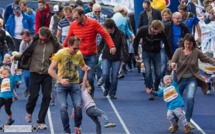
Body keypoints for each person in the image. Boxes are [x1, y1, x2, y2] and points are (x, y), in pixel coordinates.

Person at [62, 7, 116, 98]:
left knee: (90, 77)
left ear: (83, 15)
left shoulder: (93, 23)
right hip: (79, 55)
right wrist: (60, 50)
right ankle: (81, 95)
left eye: (76, 18)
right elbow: (68, 39)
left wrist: (112, 46)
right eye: (74, 18)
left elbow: (105, 34)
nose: (75, 20)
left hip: (91, 54)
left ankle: (91, 94)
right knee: (80, 77)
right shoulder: (73, 25)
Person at [18, 27, 62, 129]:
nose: (42, 41)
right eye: (41, 38)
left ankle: (41, 121)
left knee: (47, 96)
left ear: (49, 37)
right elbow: (24, 52)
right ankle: (29, 111)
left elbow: (64, 51)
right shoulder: (34, 42)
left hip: (48, 73)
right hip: (35, 72)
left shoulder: (55, 44)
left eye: (44, 39)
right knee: (34, 95)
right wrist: (16, 58)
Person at [170, 33, 215, 129]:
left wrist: (213, 62)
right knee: (176, 100)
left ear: (193, 44)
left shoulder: (196, 52)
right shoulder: (178, 51)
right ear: (183, 43)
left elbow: (205, 59)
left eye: (190, 44)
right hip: (180, 79)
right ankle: (175, 122)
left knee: (190, 98)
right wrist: (173, 64)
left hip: (192, 79)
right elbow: (172, 61)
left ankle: (187, 121)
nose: (188, 46)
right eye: (186, 43)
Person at [48, 36, 88, 134]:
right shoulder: (60, 53)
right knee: (63, 108)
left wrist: (86, 68)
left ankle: (77, 126)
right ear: (69, 46)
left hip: (74, 83)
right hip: (62, 85)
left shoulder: (78, 54)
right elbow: (50, 70)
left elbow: (82, 66)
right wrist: (60, 80)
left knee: (78, 107)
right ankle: (67, 130)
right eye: (75, 48)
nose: (77, 50)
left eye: (78, 48)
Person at [133, 20, 172, 100]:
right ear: (153, 28)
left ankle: (156, 86)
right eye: (158, 31)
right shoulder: (143, 30)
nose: (159, 32)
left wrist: (170, 58)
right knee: (147, 71)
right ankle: (150, 90)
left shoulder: (161, 33)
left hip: (156, 53)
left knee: (158, 73)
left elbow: (167, 45)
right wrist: (136, 54)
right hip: (146, 52)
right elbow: (136, 41)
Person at [71, 66, 116, 134]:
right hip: (91, 108)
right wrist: (86, 72)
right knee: (103, 113)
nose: (90, 90)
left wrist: (73, 113)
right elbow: (84, 80)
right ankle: (106, 122)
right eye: (89, 88)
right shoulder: (83, 90)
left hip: (87, 111)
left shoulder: (79, 95)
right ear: (85, 86)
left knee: (97, 123)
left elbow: (75, 105)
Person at [98, 19, 129, 99]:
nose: (106, 31)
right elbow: (101, 44)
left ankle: (112, 93)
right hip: (106, 56)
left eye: (107, 29)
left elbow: (124, 45)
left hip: (117, 58)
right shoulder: (105, 34)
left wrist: (125, 58)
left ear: (112, 28)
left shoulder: (121, 34)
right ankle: (107, 86)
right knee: (105, 74)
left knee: (114, 76)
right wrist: (97, 53)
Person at [85, 3, 108, 86]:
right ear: (92, 10)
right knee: (91, 62)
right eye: (96, 12)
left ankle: (99, 78)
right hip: (90, 44)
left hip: (101, 43)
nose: (97, 13)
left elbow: (106, 31)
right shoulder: (87, 16)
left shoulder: (104, 17)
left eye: (99, 12)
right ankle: (88, 79)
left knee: (99, 62)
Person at [0, 56, 18, 125]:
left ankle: (10, 119)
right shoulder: (2, 80)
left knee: (7, 110)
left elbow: (12, 70)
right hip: (1, 97)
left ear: (9, 74)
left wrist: (12, 62)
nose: (4, 75)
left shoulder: (11, 78)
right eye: (3, 74)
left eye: (5, 74)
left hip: (8, 98)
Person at [19, 29, 32, 97]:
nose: (24, 40)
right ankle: (27, 87)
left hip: (35, 62)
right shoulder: (23, 43)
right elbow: (21, 54)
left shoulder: (34, 42)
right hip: (26, 62)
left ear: (29, 36)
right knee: (27, 76)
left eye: (25, 38)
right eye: (23, 38)